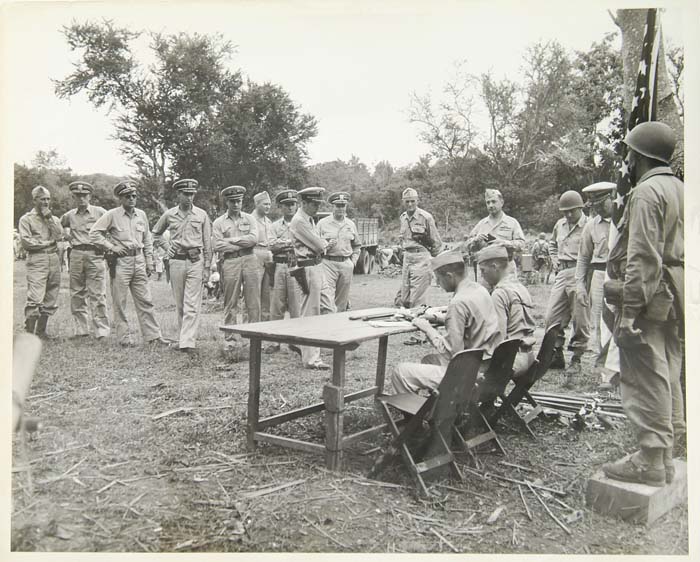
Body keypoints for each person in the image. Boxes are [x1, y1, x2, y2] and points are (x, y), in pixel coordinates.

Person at [602, 121, 684, 487]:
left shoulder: (647, 193)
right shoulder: (681, 188)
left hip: (652, 297)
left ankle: (650, 458)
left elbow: (642, 259)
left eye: (630, 154)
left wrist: (629, 313)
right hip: (679, 294)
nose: (629, 161)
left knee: (644, 374)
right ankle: (665, 455)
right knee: (667, 371)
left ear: (639, 156)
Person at [389, 250, 502, 395]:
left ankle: (415, 416)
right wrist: (438, 318)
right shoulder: (480, 290)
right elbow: (472, 320)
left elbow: (452, 352)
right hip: (488, 365)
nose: (437, 283)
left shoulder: (458, 303)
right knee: (429, 360)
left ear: (449, 276)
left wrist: (427, 329)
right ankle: (444, 407)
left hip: (469, 374)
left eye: (438, 278)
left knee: (401, 371)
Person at [89, 180, 169, 347]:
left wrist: (149, 261)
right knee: (120, 301)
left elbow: (147, 238)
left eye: (134, 196)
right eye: (127, 196)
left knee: (145, 300)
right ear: (121, 198)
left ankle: (153, 336)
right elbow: (94, 234)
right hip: (120, 262)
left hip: (139, 260)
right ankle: (124, 338)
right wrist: (111, 246)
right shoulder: (112, 215)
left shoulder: (141, 215)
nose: (131, 199)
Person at [152, 178, 212, 353]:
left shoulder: (201, 214)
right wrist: (166, 247)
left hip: (195, 261)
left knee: (192, 303)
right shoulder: (170, 214)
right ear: (178, 195)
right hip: (176, 261)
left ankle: (187, 342)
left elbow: (207, 242)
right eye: (186, 194)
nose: (189, 197)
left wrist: (207, 266)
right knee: (180, 303)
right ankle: (183, 337)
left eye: (192, 194)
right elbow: (155, 234)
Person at [544, 190, 590, 387]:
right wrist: (554, 260)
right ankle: (556, 353)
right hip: (562, 272)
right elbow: (552, 244)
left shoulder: (589, 225)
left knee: (580, 317)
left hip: (580, 273)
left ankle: (577, 358)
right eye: (565, 212)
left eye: (572, 211)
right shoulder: (559, 225)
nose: (568, 215)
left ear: (580, 208)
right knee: (552, 316)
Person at [289, 187, 335, 370]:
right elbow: (318, 245)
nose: (316, 207)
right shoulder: (299, 221)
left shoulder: (308, 219)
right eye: (314, 204)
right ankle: (311, 359)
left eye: (318, 204)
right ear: (304, 203)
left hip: (316, 266)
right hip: (308, 267)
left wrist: (324, 245)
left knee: (329, 307)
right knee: (311, 313)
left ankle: (301, 343)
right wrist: (326, 244)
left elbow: (319, 244)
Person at [575, 182, 616, 388]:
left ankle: (623, 368)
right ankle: (604, 372)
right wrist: (580, 286)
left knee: (623, 322)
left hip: (622, 274)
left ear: (612, 198)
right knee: (601, 323)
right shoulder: (591, 225)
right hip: (600, 274)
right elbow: (583, 258)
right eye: (594, 205)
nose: (598, 208)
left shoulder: (624, 220)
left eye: (602, 203)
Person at [212, 185, 260, 351]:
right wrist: (240, 243)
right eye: (232, 201)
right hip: (230, 262)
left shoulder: (250, 219)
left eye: (238, 201)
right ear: (227, 202)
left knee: (252, 300)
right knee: (231, 300)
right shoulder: (219, 222)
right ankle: (230, 339)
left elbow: (254, 239)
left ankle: (252, 337)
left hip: (250, 259)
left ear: (242, 201)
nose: (236, 204)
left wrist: (231, 241)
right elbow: (217, 245)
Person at [477, 245, 536, 379]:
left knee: (458, 366)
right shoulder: (520, 288)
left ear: (495, 266)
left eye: (483, 270)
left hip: (510, 362)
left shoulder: (499, 293)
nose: (482, 275)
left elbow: (498, 338)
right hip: (529, 358)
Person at [59, 181, 110, 339]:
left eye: (84, 196)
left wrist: (107, 246)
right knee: (77, 293)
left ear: (90, 196)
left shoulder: (100, 212)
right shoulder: (69, 215)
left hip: (95, 254)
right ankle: (81, 330)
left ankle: (102, 330)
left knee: (98, 293)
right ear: (73, 197)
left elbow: (113, 228)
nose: (81, 199)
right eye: (77, 196)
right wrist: (66, 235)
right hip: (76, 254)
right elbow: (58, 227)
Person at [18, 185, 64, 338]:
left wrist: (49, 218)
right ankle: (29, 333)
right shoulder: (26, 219)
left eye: (48, 199)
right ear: (34, 200)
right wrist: (46, 244)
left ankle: (41, 331)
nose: (46, 202)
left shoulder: (54, 218)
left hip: (53, 258)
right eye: (42, 199)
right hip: (37, 259)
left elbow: (59, 236)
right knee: (36, 297)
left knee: (51, 296)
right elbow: (26, 242)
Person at [265, 189, 301, 353]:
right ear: (281, 207)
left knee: (296, 304)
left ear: (297, 205)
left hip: (296, 265)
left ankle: (296, 341)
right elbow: (272, 245)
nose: (290, 208)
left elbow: (303, 245)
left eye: (292, 204)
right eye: (286, 205)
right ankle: (275, 341)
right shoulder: (274, 226)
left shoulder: (302, 224)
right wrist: (290, 243)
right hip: (279, 265)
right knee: (277, 304)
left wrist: (283, 243)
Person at [465, 189, 526, 281]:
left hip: (506, 271)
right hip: (485, 272)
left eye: (494, 202)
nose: (490, 205)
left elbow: (522, 245)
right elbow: (466, 246)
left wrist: (504, 243)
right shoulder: (481, 224)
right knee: (485, 295)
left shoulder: (512, 223)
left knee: (506, 295)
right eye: (488, 203)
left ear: (501, 202)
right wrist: (475, 240)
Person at [397, 188, 442, 308]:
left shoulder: (426, 217)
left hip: (421, 257)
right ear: (403, 202)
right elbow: (403, 239)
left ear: (417, 200)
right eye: (407, 202)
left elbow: (436, 242)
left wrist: (432, 261)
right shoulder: (403, 218)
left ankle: (419, 322)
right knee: (404, 298)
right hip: (407, 258)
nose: (410, 204)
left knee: (418, 299)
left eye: (412, 201)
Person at [318, 191, 361, 314]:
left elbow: (357, 246)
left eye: (343, 206)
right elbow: (315, 244)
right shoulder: (322, 223)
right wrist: (325, 245)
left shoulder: (350, 224)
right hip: (328, 263)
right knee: (327, 298)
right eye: (338, 206)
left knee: (342, 301)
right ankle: (327, 327)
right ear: (333, 206)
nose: (341, 209)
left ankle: (339, 328)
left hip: (346, 264)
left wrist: (353, 262)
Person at [251, 191, 274, 321]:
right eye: (265, 204)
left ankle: (265, 328)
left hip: (268, 254)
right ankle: (250, 328)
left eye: (269, 204)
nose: (268, 207)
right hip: (254, 253)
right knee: (253, 293)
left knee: (267, 294)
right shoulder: (249, 219)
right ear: (257, 204)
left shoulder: (269, 221)